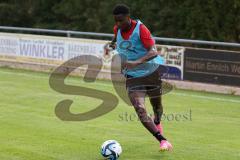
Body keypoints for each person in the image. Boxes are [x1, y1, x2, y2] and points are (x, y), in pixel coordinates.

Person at [107, 4, 172, 151]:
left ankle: (157, 121)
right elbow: (115, 38)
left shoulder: (141, 29)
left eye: (121, 20)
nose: (118, 24)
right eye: (116, 21)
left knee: (157, 107)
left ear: (128, 18)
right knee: (140, 109)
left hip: (151, 73)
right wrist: (111, 45)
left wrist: (135, 62)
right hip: (132, 77)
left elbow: (153, 52)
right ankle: (162, 140)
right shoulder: (117, 29)